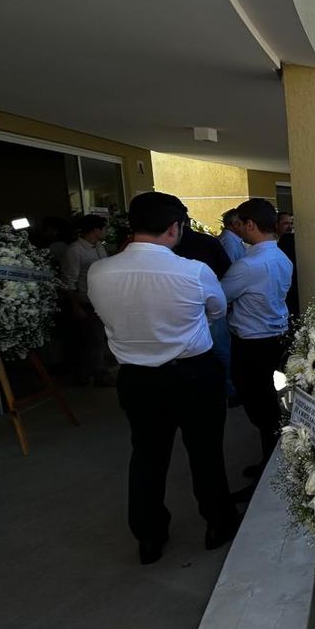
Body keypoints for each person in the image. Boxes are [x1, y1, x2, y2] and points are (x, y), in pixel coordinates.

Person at [87, 192, 240, 565]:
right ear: (175, 228)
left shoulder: (99, 272)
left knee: (147, 456)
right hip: (193, 373)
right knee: (205, 453)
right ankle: (217, 523)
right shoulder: (193, 271)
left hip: (137, 378)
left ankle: (149, 537)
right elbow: (217, 310)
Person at [222, 198, 293, 489]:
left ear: (250, 225)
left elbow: (220, 297)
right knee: (272, 407)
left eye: (239, 224)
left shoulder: (248, 265)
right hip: (276, 340)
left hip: (252, 345)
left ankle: (270, 475)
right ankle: (268, 464)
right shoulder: (281, 258)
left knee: (261, 410)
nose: (237, 229)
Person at [174, 217, 235, 398]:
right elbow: (226, 270)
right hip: (210, 303)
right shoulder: (208, 242)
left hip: (180, 308)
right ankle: (228, 389)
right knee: (221, 350)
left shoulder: (168, 248)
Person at [61, 214, 112, 385]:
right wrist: (76, 306)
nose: (106, 231)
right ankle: (97, 374)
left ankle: (93, 372)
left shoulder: (99, 247)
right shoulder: (75, 250)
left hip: (102, 301)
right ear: (95, 230)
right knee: (94, 340)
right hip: (86, 302)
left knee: (99, 339)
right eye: (104, 228)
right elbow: (69, 281)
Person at [276, 213, 300, 319]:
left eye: (291, 223)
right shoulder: (273, 244)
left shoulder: (294, 242)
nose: (290, 227)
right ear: (276, 225)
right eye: (285, 223)